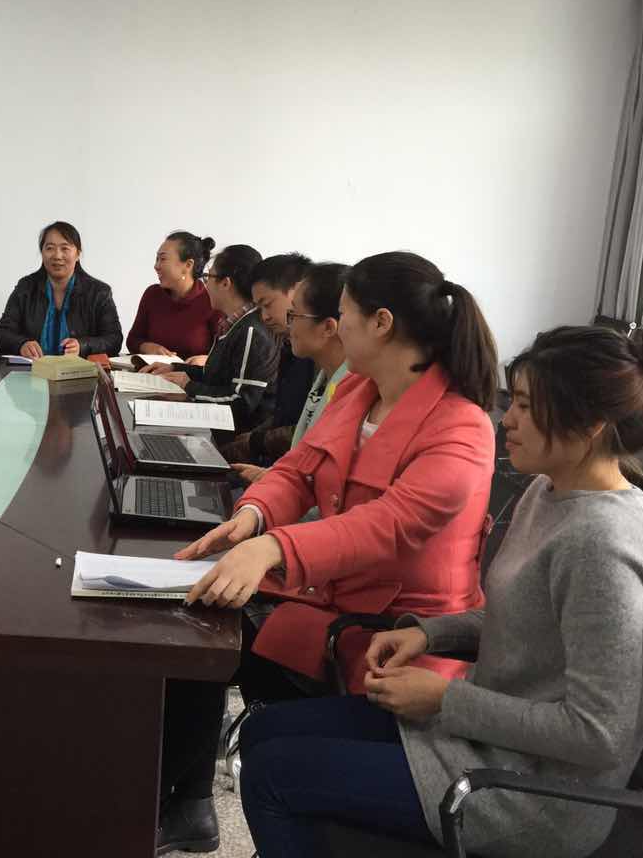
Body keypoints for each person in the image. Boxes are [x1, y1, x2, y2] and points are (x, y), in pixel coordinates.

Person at [239, 324, 643, 858]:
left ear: (591, 427)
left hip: (532, 794)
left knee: (272, 776)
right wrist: (429, 635)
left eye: (526, 406)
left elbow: (598, 733)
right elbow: (528, 621)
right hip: (483, 741)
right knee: (263, 733)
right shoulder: (550, 491)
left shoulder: (603, 545)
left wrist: (446, 699)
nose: (506, 419)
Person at [157, 252, 497, 855]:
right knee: (194, 626)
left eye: (345, 313)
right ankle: (187, 804)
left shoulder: (462, 428)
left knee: (225, 666)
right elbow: (298, 469)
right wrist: (252, 517)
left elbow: (386, 526)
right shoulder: (360, 391)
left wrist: (272, 548)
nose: (335, 325)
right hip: (332, 597)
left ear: (381, 323)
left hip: (400, 635)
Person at [231, 261, 350, 484]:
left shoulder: (351, 385)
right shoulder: (320, 370)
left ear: (329, 327)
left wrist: (269, 471)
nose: (289, 322)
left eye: (294, 314)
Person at [146, 244, 279, 433]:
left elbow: (241, 402)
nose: (205, 285)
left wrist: (188, 387)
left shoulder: (251, 331)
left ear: (226, 283)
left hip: (235, 438)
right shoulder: (232, 323)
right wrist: (176, 368)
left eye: (208, 277)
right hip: (214, 427)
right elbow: (216, 376)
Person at [223, 253, 317, 469]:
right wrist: (251, 439)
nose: (264, 317)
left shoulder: (319, 356)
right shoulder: (290, 347)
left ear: (297, 291)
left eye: (268, 305)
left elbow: (310, 429)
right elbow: (282, 414)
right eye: (259, 308)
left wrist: (255, 441)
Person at [0, 221, 123, 358]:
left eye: (65, 248)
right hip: (34, 368)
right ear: (42, 252)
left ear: (78, 254)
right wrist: (21, 344)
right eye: (50, 248)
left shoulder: (99, 292)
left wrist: (82, 346)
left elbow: (114, 340)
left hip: (80, 369)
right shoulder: (26, 287)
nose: (57, 256)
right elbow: (3, 332)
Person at [124, 232, 222, 359]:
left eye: (163, 259)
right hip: (152, 371)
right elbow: (133, 340)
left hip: (192, 371)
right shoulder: (152, 294)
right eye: (157, 259)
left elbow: (225, 353)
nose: (156, 266)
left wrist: (206, 360)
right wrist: (147, 347)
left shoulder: (212, 299)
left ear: (188, 265)